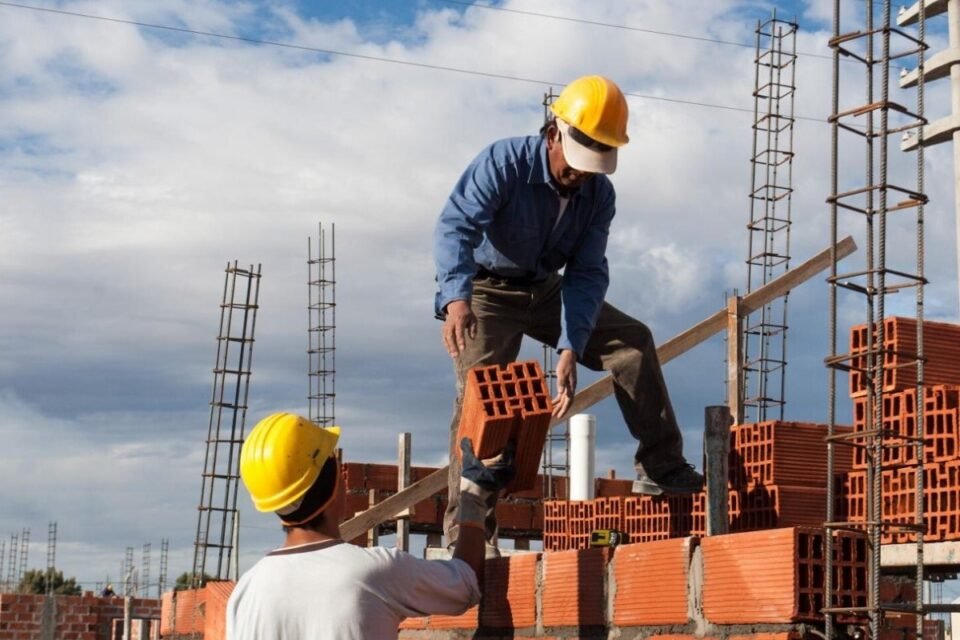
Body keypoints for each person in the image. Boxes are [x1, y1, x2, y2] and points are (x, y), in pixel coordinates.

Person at [433, 74, 705, 549]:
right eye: (578, 161)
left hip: (546, 288)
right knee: (485, 398)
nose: (581, 173)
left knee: (632, 343)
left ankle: (661, 467)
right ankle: (469, 531)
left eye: (595, 163)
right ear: (554, 132)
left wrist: (569, 346)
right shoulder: (503, 162)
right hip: (486, 292)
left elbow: (586, 274)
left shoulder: (599, 195)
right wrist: (457, 299)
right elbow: (455, 227)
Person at [226, 412, 514, 640]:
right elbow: (464, 584)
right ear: (333, 482)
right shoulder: (371, 572)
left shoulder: (245, 591)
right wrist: (474, 497)